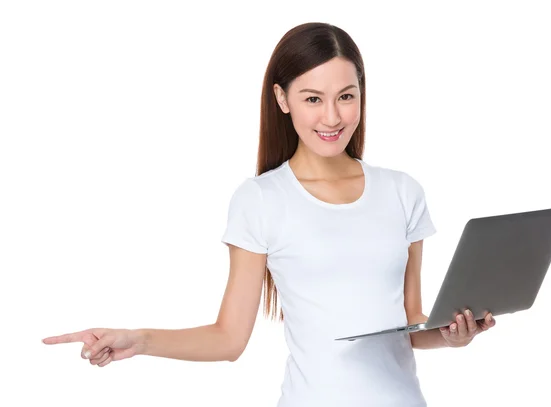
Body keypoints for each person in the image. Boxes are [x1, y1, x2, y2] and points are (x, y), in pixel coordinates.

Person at [43, 22, 496, 406]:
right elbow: (229, 338)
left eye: (346, 96)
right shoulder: (261, 200)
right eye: (313, 98)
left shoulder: (403, 192)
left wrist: (456, 335)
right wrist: (139, 340)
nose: (333, 116)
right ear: (282, 99)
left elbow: (412, 325)